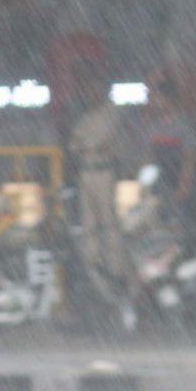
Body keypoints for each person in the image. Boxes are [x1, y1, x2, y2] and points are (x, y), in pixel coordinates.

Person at [68, 65, 129, 306]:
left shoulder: (111, 113)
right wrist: (85, 144)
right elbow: (74, 144)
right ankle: (92, 267)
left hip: (104, 172)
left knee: (109, 224)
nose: (89, 91)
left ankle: (115, 270)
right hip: (86, 173)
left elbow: (95, 141)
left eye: (93, 87)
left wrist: (86, 144)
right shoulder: (85, 115)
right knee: (89, 224)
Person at [144, 79, 196, 248]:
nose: (154, 102)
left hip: (177, 183)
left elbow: (189, 158)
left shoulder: (183, 125)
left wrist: (184, 185)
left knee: (178, 228)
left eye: (157, 98)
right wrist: (146, 186)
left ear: (169, 100)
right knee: (160, 229)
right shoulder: (153, 126)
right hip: (160, 185)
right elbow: (149, 158)